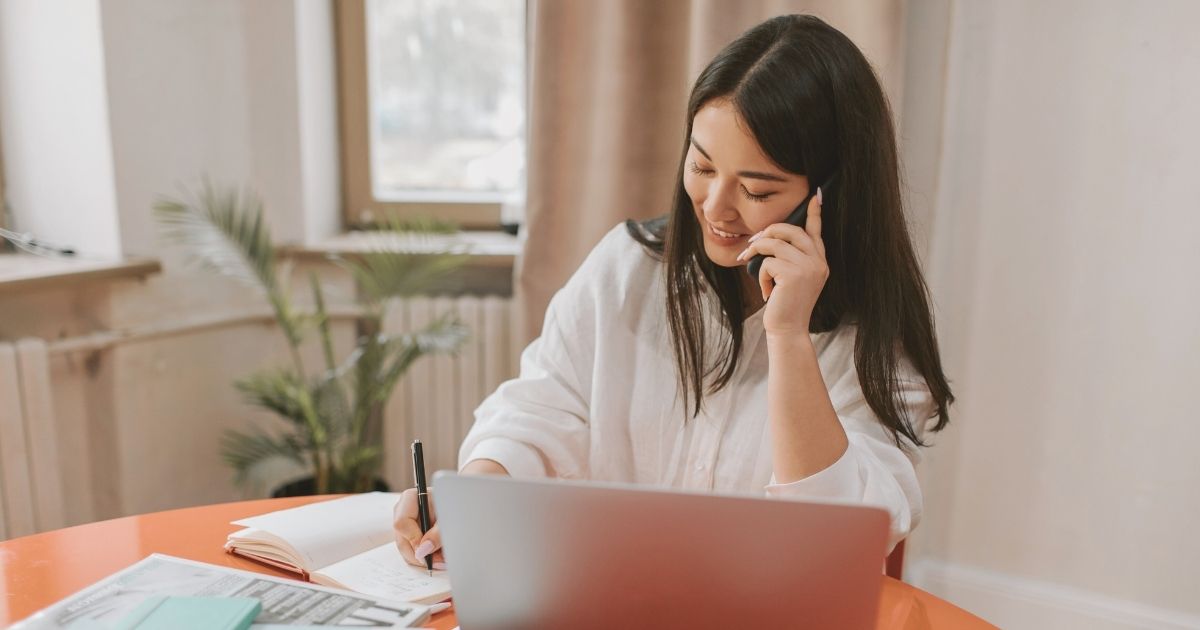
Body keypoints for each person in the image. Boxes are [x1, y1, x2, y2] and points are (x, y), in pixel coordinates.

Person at [394, 14, 954, 572]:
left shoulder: (878, 340)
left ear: (831, 196)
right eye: (702, 166)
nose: (714, 206)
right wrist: (476, 499)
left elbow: (836, 541)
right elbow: (540, 408)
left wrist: (788, 338)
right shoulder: (628, 267)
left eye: (756, 189)